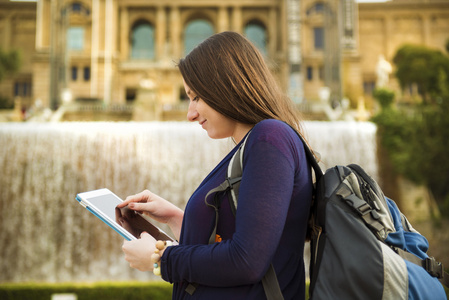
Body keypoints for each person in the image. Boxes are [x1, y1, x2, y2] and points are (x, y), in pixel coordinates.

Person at [119, 31, 314, 300]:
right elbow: (247, 234)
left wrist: (160, 259)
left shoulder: (270, 138)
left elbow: (247, 261)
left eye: (197, 97)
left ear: (227, 86)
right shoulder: (254, 143)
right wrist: (180, 219)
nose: (190, 113)